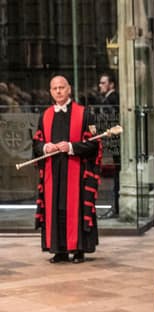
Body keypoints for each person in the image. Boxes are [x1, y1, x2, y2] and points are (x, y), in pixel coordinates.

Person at [32, 75, 101, 264]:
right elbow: (37, 143)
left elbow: (95, 144)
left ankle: (79, 249)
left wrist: (71, 147)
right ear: (50, 91)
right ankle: (59, 250)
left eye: (62, 87)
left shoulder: (85, 113)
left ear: (69, 89)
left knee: (75, 208)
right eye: (54, 88)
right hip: (52, 173)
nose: (59, 91)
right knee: (56, 209)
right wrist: (46, 147)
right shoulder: (45, 115)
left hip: (77, 173)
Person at [97, 73, 121, 219]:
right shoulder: (109, 99)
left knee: (117, 174)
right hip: (114, 143)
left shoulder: (112, 99)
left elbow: (110, 121)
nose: (100, 85)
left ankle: (116, 207)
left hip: (116, 142)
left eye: (103, 83)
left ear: (111, 85)